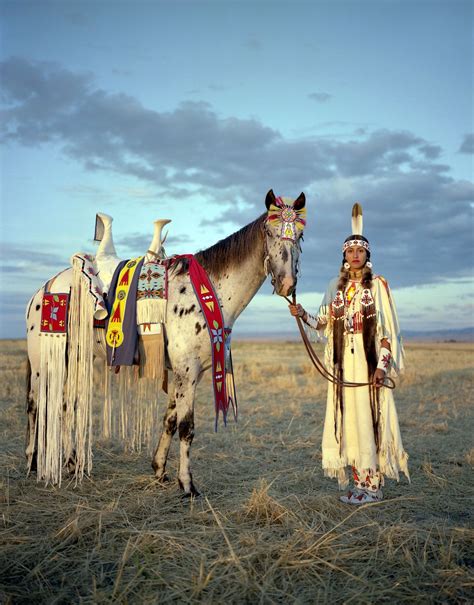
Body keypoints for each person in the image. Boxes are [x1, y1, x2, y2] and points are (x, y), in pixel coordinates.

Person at [289, 203, 409, 504]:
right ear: (344, 255)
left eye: (360, 251)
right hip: (343, 366)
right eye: (350, 251)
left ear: (367, 255)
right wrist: (302, 313)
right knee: (348, 420)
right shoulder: (334, 287)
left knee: (368, 419)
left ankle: (372, 487)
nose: (355, 255)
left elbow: (386, 333)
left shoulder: (378, 287)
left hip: (368, 366)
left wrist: (382, 368)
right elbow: (324, 323)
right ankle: (358, 483)